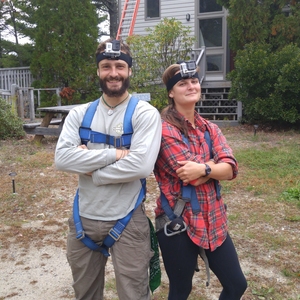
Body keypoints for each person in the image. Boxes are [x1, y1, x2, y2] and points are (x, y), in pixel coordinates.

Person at [55, 38, 162, 300]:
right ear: (98, 71)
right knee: (85, 294)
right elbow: (62, 159)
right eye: (106, 66)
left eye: (119, 66)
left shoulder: (145, 114)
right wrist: (115, 153)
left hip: (128, 219)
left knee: (134, 294)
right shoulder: (79, 114)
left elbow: (141, 165)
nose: (113, 73)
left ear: (129, 71)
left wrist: (92, 169)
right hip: (84, 219)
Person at [153, 61, 247, 300]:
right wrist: (215, 166)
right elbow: (189, 176)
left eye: (194, 81)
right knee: (181, 290)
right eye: (182, 84)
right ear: (171, 92)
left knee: (237, 285)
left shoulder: (210, 128)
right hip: (177, 222)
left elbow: (231, 169)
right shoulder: (163, 130)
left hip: (213, 217)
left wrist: (204, 167)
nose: (191, 86)